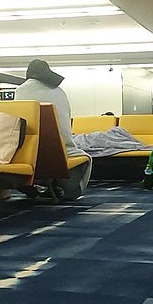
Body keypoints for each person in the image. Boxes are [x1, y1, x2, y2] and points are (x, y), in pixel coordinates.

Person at [14, 59, 91, 200]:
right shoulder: (60, 92)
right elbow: (67, 124)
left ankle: (36, 187)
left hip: (27, 155)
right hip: (58, 154)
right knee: (85, 157)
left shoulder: (20, 91)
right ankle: (69, 189)